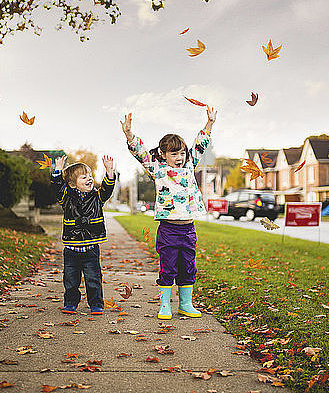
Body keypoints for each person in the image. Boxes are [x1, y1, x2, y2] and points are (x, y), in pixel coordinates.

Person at [121, 106, 216, 319]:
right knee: (168, 267)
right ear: (163, 155)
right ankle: (165, 305)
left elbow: (200, 145)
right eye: (174, 154)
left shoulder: (190, 166)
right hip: (168, 230)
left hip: (188, 229)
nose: (180, 157)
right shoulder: (158, 169)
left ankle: (185, 304)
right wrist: (129, 134)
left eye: (182, 153)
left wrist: (209, 123)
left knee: (188, 267)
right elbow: (141, 153)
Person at [51, 154, 115, 315]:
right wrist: (58, 170)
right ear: (72, 184)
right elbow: (58, 187)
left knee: (93, 278)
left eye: (90, 176)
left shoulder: (97, 197)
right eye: (84, 177)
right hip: (72, 248)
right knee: (71, 280)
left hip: (91, 248)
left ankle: (96, 304)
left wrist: (109, 171)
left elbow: (107, 189)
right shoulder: (66, 198)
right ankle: (71, 303)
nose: (89, 179)